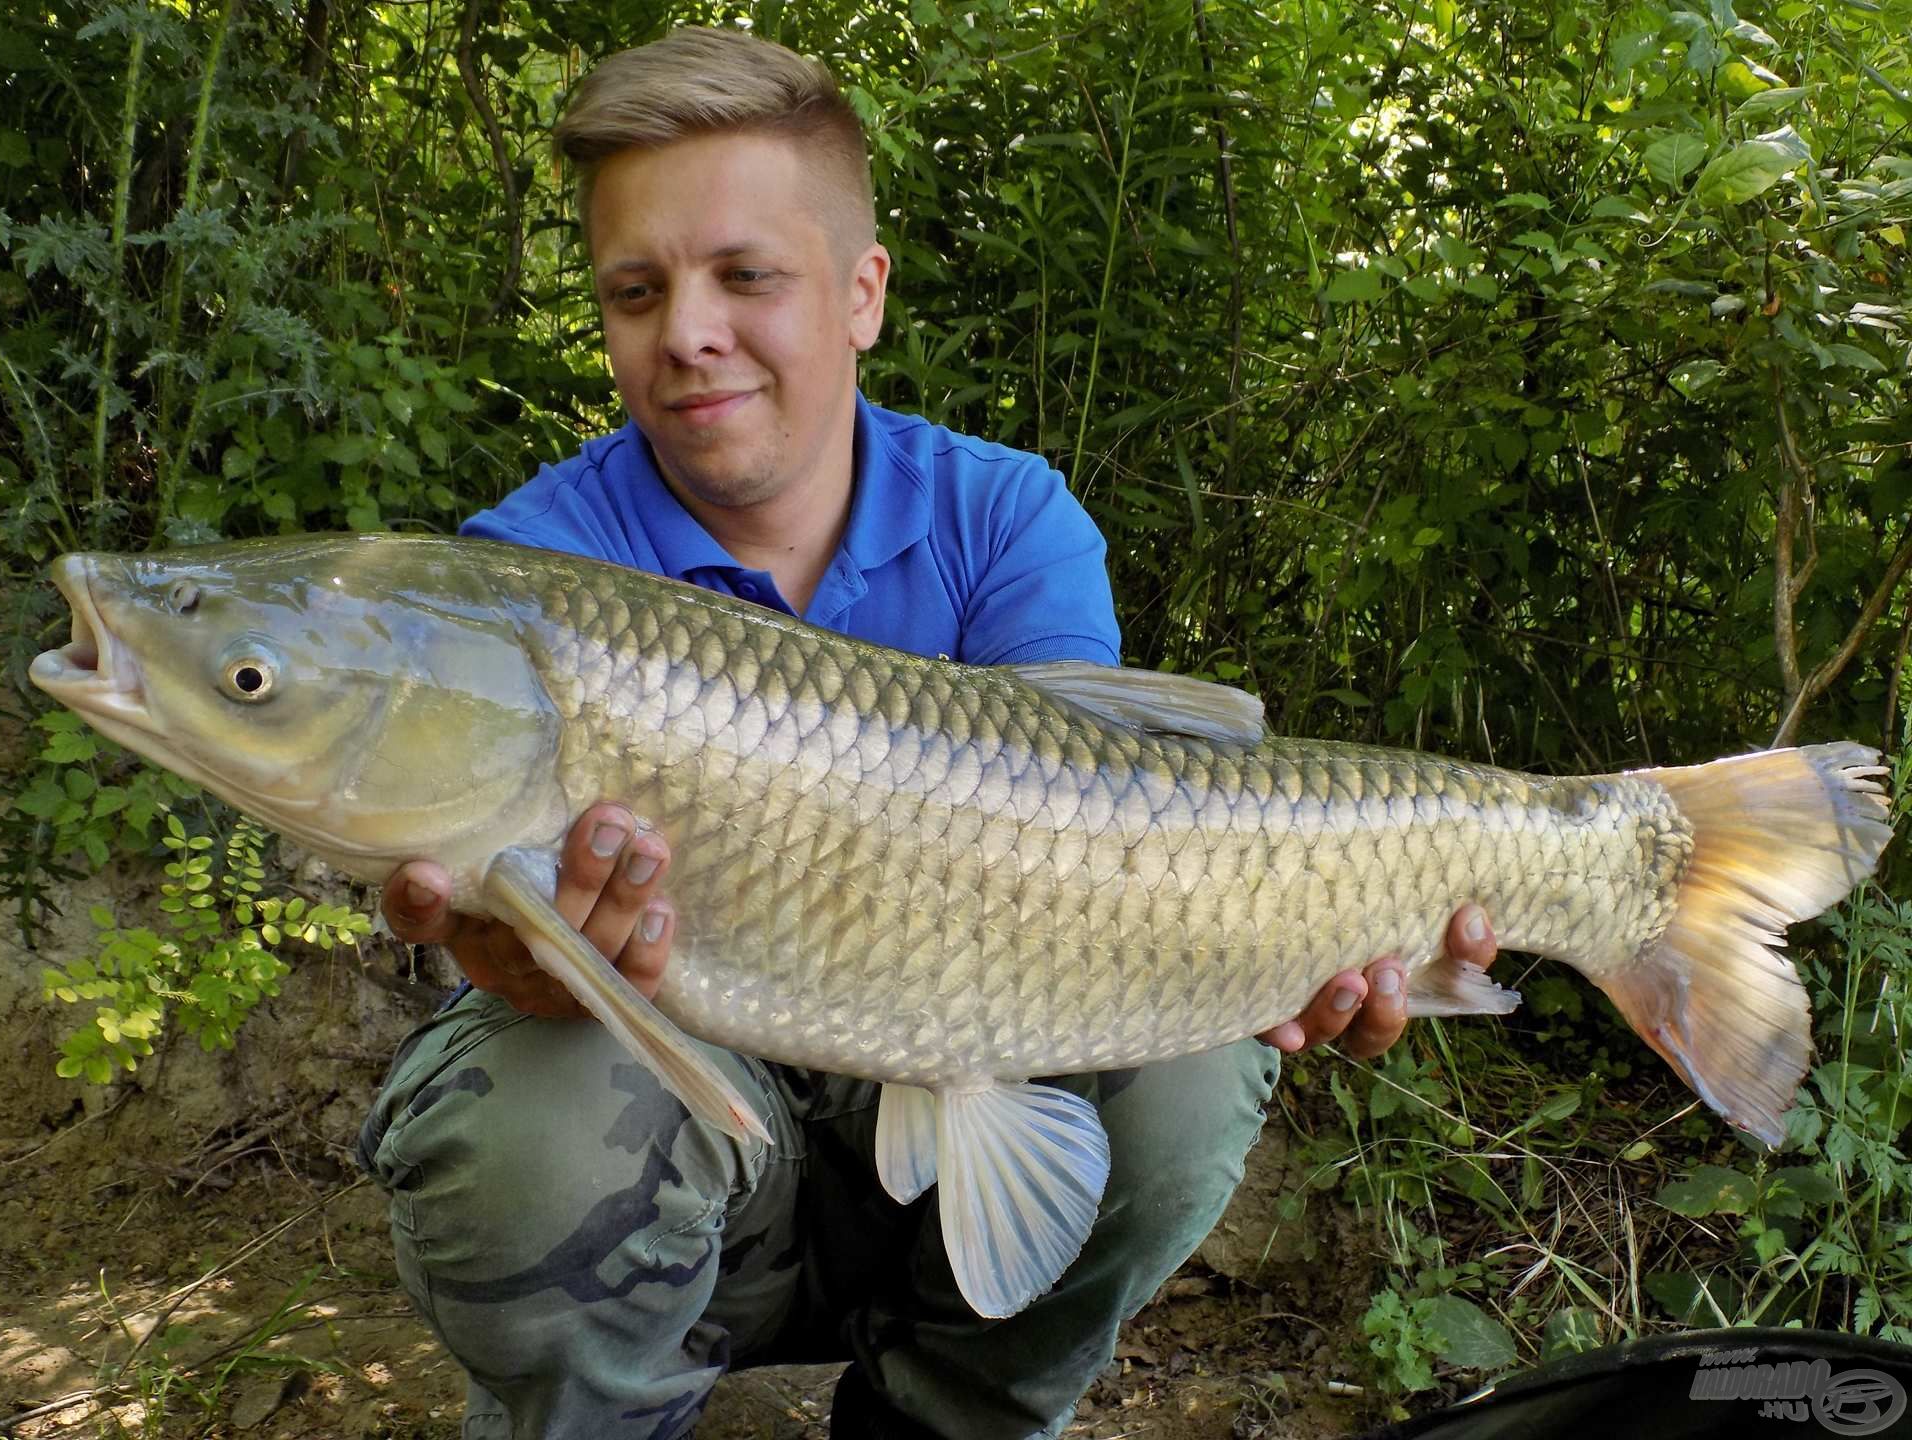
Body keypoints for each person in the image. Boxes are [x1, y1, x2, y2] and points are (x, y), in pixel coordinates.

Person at [356, 27, 1499, 1440]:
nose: (689, 331)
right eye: (635, 291)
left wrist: (1303, 933)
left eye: (746, 277)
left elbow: (1105, 832)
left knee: (1199, 1066)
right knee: (515, 1119)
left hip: (969, 1090)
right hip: (696, 1172)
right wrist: (517, 963)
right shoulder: (525, 577)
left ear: (862, 295)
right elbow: (470, 911)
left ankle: (944, 1420)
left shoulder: (1006, 517)